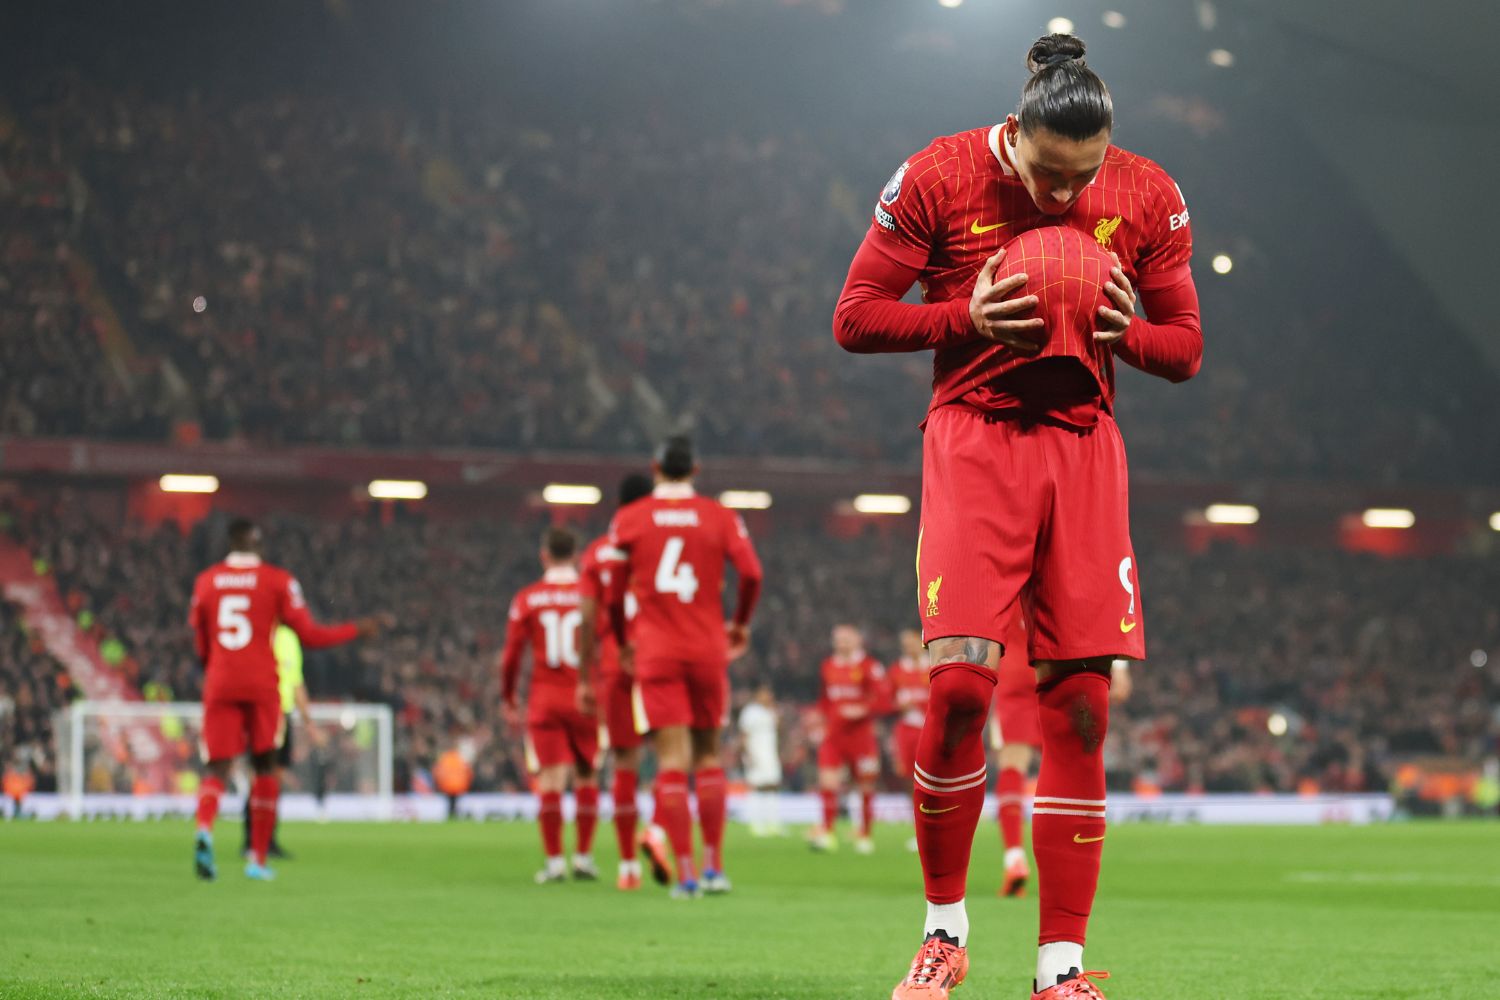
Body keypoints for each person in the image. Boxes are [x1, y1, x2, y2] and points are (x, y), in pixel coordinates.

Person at [833, 33, 1202, 1000]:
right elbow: (856, 315)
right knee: (959, 692)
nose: (1064, 196)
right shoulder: (938, 173)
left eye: (1082, 177)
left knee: (1080, 707)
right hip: (975, 438)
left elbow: (1187, 347)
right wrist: (963, 316)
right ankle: (944, 933)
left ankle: (1061, 969)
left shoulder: (1149, 193)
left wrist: (1134, 333)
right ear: (1017, 134)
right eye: (1047, 174)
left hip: (1084, 446)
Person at [585, 436, 762, 898]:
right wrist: (739, 624)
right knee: (708, 757)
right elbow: (752, 573)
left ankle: (684, 876)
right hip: (707, 648)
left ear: (655, 467)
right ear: (696, 470)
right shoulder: (719, 515)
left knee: (670, 761)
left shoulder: (629, 518)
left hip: (657, 650)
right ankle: (714, 868)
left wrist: (624, 642)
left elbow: (613, 594)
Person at [188, 518, 385, 881]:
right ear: (258, 546)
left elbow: (200, 641)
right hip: (262, 685)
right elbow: (310, 634)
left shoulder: (206, 581)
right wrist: (357, 629)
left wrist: (214, 670)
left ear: (229, 545)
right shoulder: (277, 580)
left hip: (220, 683)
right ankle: (257, 861)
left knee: (216, 769)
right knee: (266, 769)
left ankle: (204, 831)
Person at [500, 527, 601, 884]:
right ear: (576, 556)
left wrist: (509, 696)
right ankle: (585, 858)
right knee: (587, 775)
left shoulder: (527, 599)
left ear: (544, 556)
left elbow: (511, 655)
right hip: (585, 696)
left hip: (545, 699)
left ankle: (555, 861)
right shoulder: (591, 595)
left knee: (551, 781)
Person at [577, 471, 655, 890]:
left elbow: (587, 617)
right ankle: (658, 830)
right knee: (676, 753)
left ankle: (628, 866)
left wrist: (583, 676)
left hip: (613, 663)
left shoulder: (596, 553)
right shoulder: (655, 543)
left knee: (625, 762)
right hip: (661, 658)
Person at [240, 624, 326, 860]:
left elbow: (296, 683)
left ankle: (269, 839)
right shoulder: (255, 633)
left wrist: (309, 723)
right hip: (261, 714)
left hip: (284, 715)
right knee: (259, 778)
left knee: (274, 780)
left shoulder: (289, 638)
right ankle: (250, 840)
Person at [809, 624, 888, 854]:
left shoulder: (869, 667)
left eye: (846, 639)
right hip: (833, 736)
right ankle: (827, 831)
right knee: (828, 782)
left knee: (865, 784)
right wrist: (819, 720)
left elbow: (883, 701)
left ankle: (864, 834)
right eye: (838, 639)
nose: (841, 643)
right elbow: (824, 700)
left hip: (861, 738)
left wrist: (861, 709)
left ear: (857, 641)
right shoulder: (828, 666)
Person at [887, 628, 930, 852]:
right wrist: (898, 706)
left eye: (911, 641)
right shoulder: (896, 671)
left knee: (933, 780)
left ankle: (939, 828)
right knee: (910, 783)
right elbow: (885, 702)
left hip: (931, 729)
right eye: (904, 643)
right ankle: (919, 831)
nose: (908, 646)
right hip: (907, 732)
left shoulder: (933, 664)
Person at [737, 684, 784, 837]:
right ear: (758, 695)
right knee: (756, 787)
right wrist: (747, 754)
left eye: (769, 694)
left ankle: (772, 823)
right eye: (765, 694)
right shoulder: (750, 712)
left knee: (772, 786)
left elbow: (778, 730)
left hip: (770, 754)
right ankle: (755, 824)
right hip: (756, 754)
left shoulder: (771, 711)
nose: (768, 697)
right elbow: (744, 734)